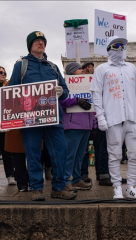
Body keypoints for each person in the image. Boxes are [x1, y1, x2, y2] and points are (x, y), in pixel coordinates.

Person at [9, 31, 75, 201]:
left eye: (42, 40)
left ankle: (59, 188)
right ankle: (36, 188)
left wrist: (61, 92)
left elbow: (65, 91)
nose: (40, 43)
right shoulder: (21, 66)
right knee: (32, 154)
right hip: (30, 119)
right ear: (30, 45)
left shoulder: (53, 67)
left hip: (53, 118)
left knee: (60, 152)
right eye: (37, 40)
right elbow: (12, 92)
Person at [91, 36, 136, 199]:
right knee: (114, 154)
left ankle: (131, 186)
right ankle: (117, 186)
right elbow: (96, 94)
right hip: (113, 118)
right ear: (109, 48)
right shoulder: (102, 69)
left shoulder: (132, 68)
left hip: (132, 117)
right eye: (116, 45)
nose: (120, 48)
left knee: (135, 153)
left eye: (122, 45)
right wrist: (100, 116)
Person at [60, 62, 94, 192]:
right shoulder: (65, 83)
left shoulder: (88, 83)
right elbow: (61, 100)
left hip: (86, 124)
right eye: (79, 69)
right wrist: (76, 100)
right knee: (70, 155)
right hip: (72, 124)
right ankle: (65, 180)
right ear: (72, 71)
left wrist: (94, 123)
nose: (83, 70)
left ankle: (76, 179)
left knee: (79, 156)